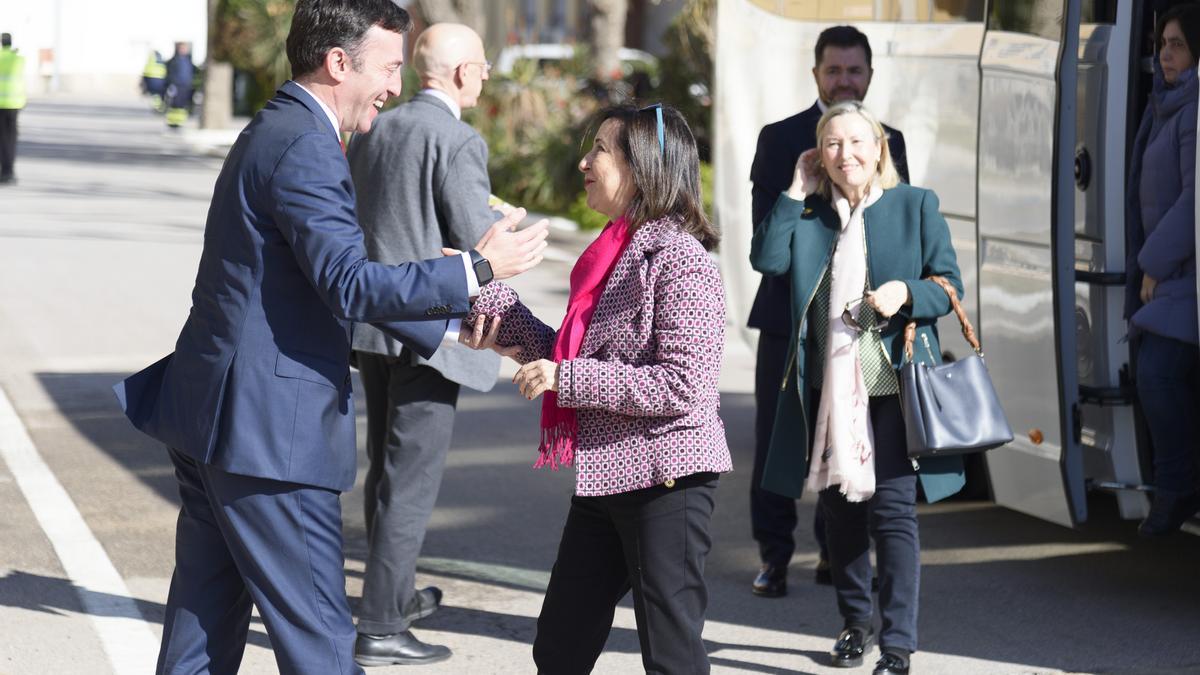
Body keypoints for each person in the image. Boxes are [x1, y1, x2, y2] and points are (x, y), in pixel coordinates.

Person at [112, 1, 548, 673]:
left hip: (219, 422)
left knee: (201, 636)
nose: (395, 87)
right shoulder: (305, 144)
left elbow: (326, 278)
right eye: (389, 67)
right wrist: (478, 267)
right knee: (318, 641)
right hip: (268, 441)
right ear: (338, 62)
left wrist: (464, 326)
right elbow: (348, 282)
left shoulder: (283, 129)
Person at [461, 103, 731, 674]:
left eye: (600, 150)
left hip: (668, 477)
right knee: (561, 643)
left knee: (671, 652)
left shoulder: (683, 259)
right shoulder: (613, 251)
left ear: (644, 167)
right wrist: (483, 296)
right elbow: (574, 354)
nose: (584, 161)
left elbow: (685, 385)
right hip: (607, 474)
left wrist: (568, 377)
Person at [750, 101, 964, 675]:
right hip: (827, 389)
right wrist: (795, 189)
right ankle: (853, 625)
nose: (846, 154)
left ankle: (896, 645)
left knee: (893, 515)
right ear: (819, 154)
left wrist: (907, 294)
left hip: (891, 383)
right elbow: (766, 258)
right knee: (841, 513)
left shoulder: (915, 205)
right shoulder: (809, 213)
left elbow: (950, 287)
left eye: (857, 142)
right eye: (833, 144)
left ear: (880, 149)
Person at [345, 22, 500, 665]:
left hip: (373, 324)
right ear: (462, 73)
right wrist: (500, 226)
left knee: (385, 470)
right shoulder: (459, 140)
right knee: (409, 483)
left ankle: (393, 596)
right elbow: (476, 242)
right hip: (430, 330)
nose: (487, 76)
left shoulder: (376, 127)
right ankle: (381, 624)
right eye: (483, 67)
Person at [747, 24, 909, 598]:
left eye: (855, 70)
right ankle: (773, 554)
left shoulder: (889, 139)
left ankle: (834, 552)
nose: (845, 79)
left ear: (870, 75)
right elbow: (766, 242)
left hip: (860, 324)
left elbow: (897, 235)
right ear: (816, 74)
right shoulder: (781, 138)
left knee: (846, 434)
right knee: (778, 440)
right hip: (789, 320)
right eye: (834, 70)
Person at [1125, 2, 1200, 537]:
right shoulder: (1167, 104)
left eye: (1177, 44)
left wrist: (1152, 265)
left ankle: (1178, 486)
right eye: (1162, 44)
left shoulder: (1193, 107)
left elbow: (1195, 199)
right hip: (1168, 271)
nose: (1165, 54)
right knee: (1154, 371)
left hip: (1182, 271)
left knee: (1158, 373)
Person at [0, 32, 26, 185]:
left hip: (0, 105)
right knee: (11, 139)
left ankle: (4, 172)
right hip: (15, 104)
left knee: (2, 139)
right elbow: (20, 60)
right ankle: (10, 171)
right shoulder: (18, 59)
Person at [164, 42, 195, 128]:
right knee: (175, 104)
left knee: (182, 104)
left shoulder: (188, 60)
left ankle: (179, 121)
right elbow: (170, 73)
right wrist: (171, 84)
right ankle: (172, 121)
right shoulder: (174, 60)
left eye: (185, 48)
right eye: (182, 48)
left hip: (186, 85)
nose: (184, 50)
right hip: (177, 85)